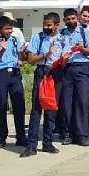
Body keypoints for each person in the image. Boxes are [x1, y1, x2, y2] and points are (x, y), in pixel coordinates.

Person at [20, 12, 66, 157]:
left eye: (49, 25)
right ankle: (31, 145)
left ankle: (47, 143)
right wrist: (45, 55)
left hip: (56, 73)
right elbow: (31, 59)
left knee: (51, 109)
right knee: (36, 109)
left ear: (57, 25)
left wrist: (65, 59)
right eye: (44, 24)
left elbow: (64, 63)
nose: (46, 27)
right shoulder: (38, 38)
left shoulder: (63, 39)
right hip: (41, 72)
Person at [0, 16, 28, 148]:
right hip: (0, 74)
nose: (10, 31)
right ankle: (1, 138)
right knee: (1, 106)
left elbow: (22, 59)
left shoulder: (15, 40)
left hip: (14, 74)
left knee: (19, 105)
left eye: (11, 28)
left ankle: (21, 137)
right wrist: (2, 49)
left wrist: (22, 53)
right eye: (7, 28)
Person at [59, 8, 89, 146]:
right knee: (67, 102)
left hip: (81, 68)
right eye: (68, 19)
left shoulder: (84, 31)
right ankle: (69, 133)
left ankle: (82, 135)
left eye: (73, 18)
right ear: (64, 20)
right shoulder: (61, 34)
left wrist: (81, 48)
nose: (71, 21)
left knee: (82, 101)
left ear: (77, 18)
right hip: (66, 68)